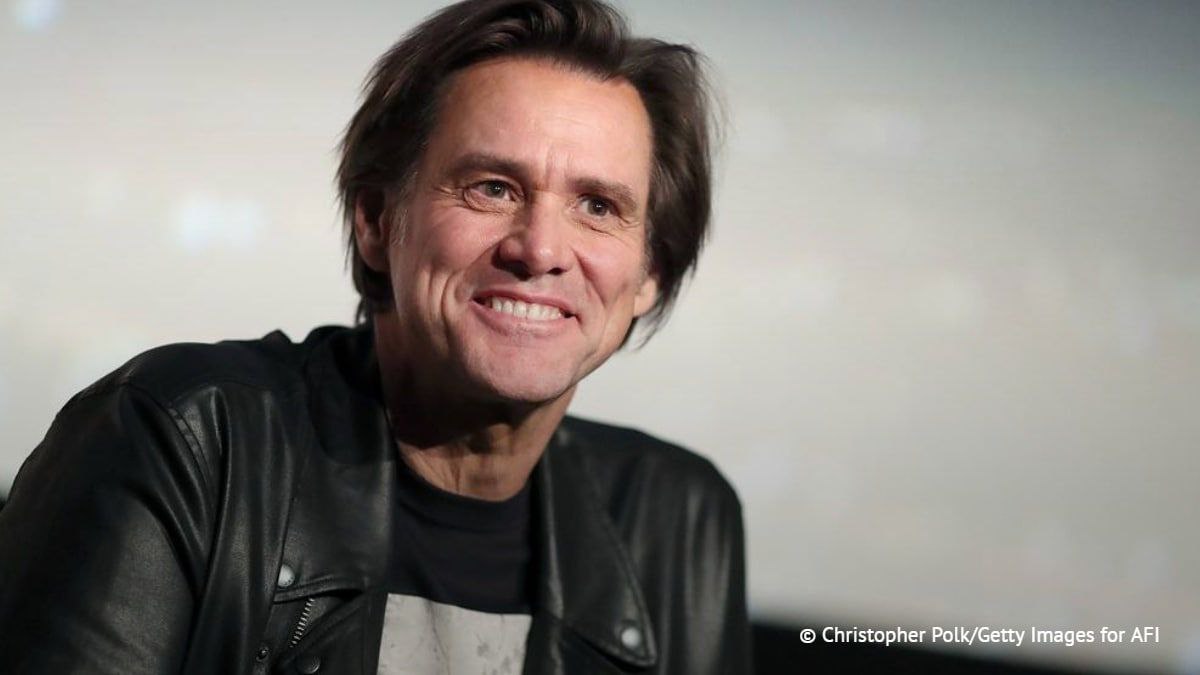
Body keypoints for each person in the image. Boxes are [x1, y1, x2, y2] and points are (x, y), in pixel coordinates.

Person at [0, 0, 750, 672]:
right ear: (376, 221)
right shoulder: (185, 439)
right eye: (493, 188)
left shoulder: (679, 521)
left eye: (598, 206)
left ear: (650, 273)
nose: (541, 248)